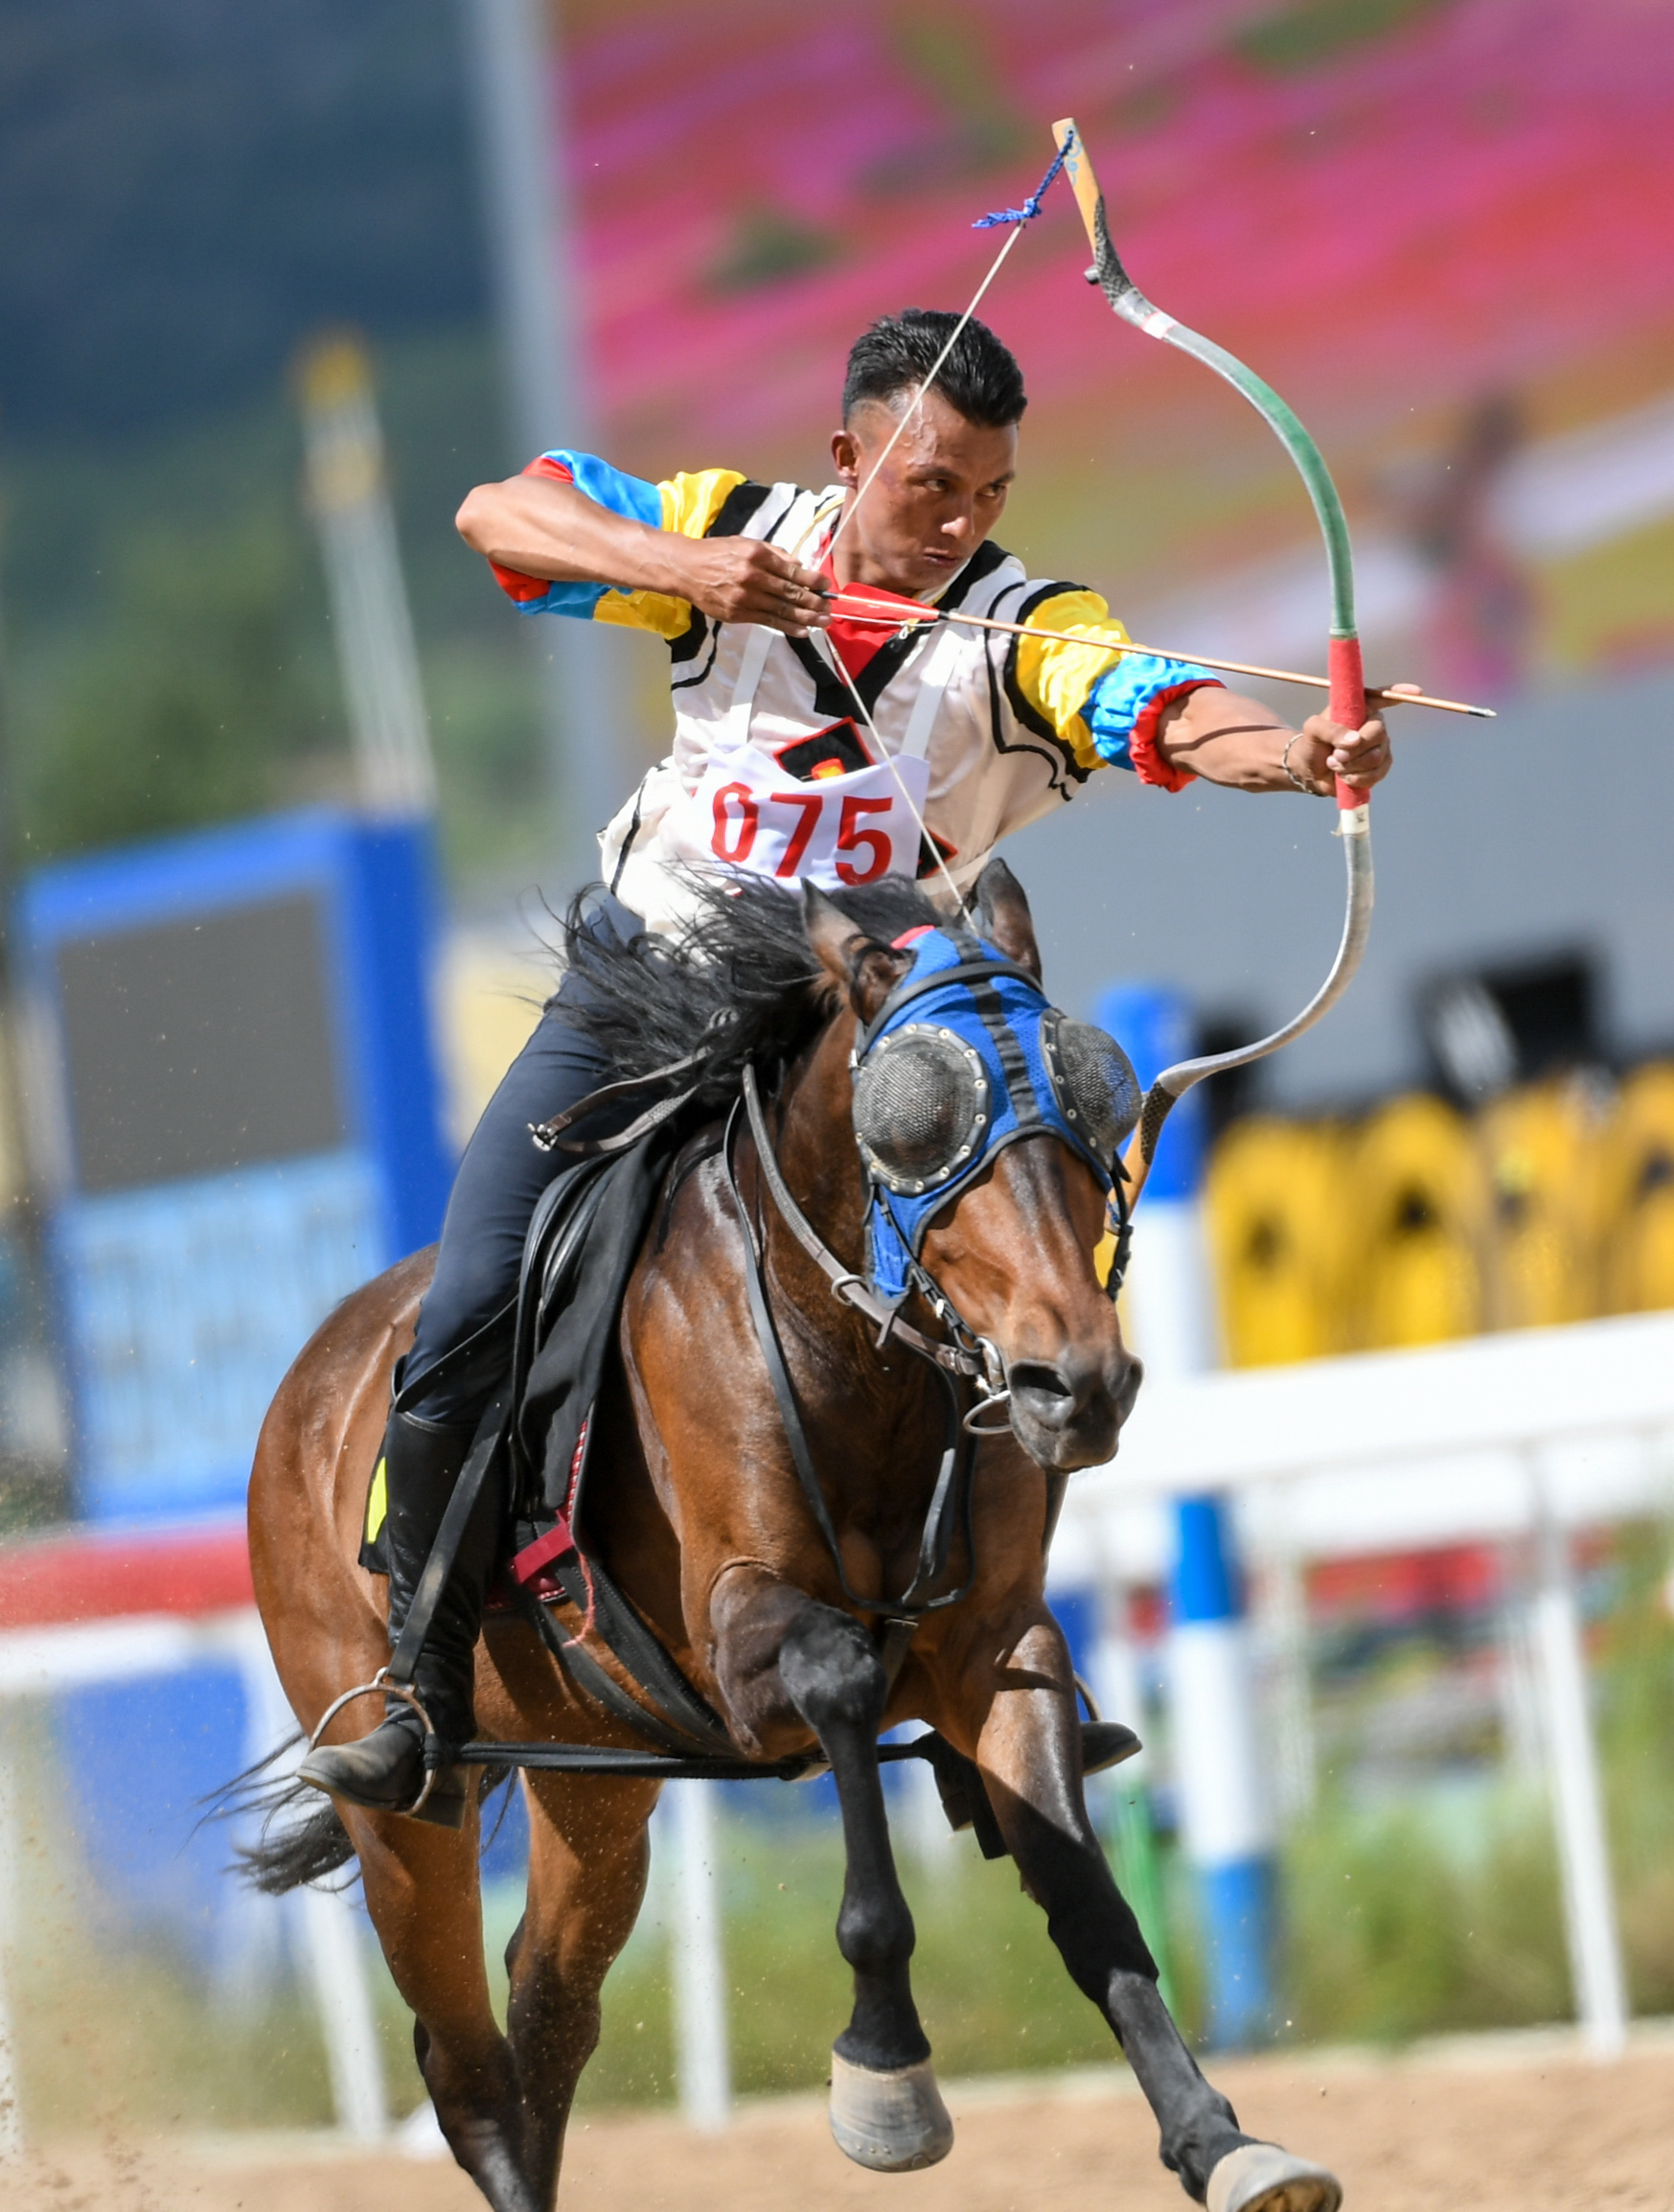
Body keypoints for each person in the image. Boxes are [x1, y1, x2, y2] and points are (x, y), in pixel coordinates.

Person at [300, 310, 1393, 1823]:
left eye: (990, 491)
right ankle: (416, 1678)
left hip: (868, 1031)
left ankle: (979, 1652)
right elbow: (504, 514)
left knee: (999, 1266)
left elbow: (1153, 702)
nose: (961, 521)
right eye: (932, 483)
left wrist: (1295, 757)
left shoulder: (1021, 623)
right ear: (848, 454)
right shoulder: (737, 534)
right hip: (650, 1000)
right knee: (480, 1281)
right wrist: (688, 572)